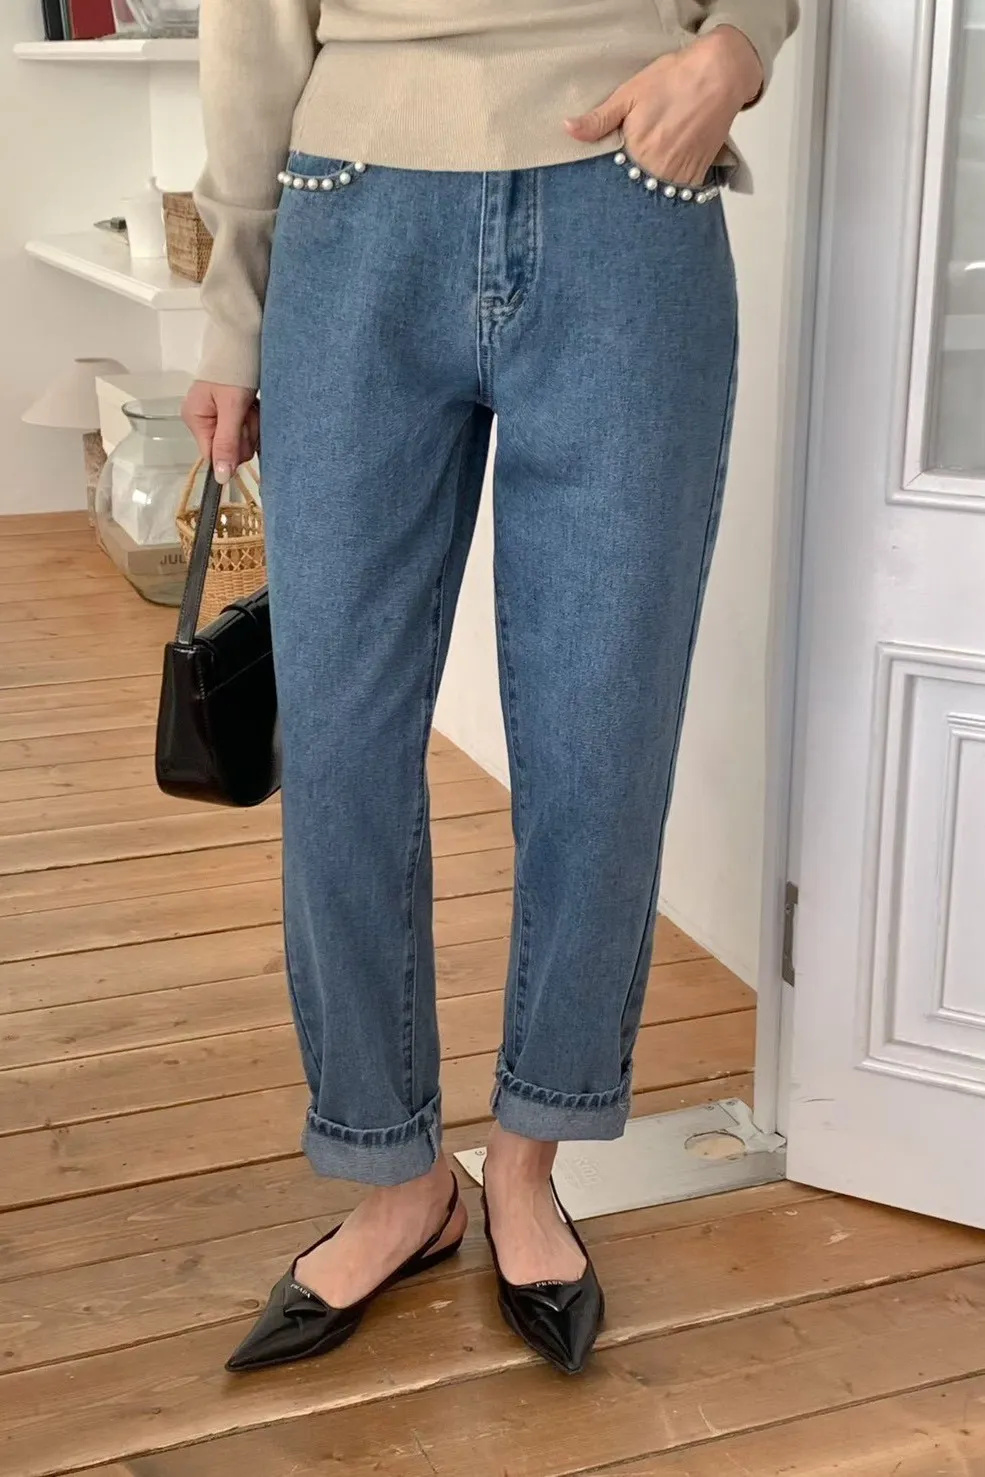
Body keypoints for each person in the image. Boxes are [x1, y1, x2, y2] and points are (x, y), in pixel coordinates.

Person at [183, 0, 799, 1376]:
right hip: (355, 211)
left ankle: (528, 1164)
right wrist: (232, 309)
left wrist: (740, 44)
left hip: (629, 204)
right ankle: (398, 1179)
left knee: (600, 738)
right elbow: (250, 26)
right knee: (340, 743)